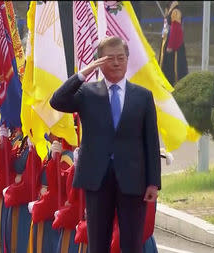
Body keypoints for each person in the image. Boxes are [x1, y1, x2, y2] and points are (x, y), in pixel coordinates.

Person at [50, 36, 161, 253]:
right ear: (99, 62)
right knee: (98, 242)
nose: (117, 63)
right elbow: (57, 100)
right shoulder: (87, 93)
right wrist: (84, 73)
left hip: (133, 179)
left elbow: (151, 141)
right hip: (97, 179)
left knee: (131, 243)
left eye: (121, 58)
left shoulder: (143, 96)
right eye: (110, 58)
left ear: (127, 59)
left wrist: (153, 182)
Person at [158, 1, 188, 86]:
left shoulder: (176, 11)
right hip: (166, 40)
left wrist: (171, 45)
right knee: (166, 64)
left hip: (173, 42)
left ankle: (173, 83)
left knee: (173, 66)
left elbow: (176, 28)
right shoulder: (169, 8)